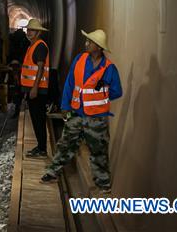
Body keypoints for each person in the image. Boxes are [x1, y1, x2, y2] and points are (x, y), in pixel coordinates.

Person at [41, 29, 123, 193]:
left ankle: (103, 183)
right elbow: (70, 83)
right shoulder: (80, 59)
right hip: (77, 114)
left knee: (98, 150)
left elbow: (117, 91)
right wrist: (65, 106)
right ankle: (52, 172)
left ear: (99, 47)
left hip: (97, 119)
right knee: (66, 144)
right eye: (87, 41)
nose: (86, 43)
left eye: (90, 42)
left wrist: (101, 94)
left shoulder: (109, 69)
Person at [20, 18, 50, 158]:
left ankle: (42, 149)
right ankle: (40, 147)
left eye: (32, 30)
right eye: (28, 29)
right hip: (33, 89)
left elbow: (40, 68)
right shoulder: (32, 46)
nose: (29, 32)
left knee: (39, 119)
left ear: (38, 32)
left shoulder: (39, 46)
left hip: (38, 91)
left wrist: (34, 88)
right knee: (36, 120)